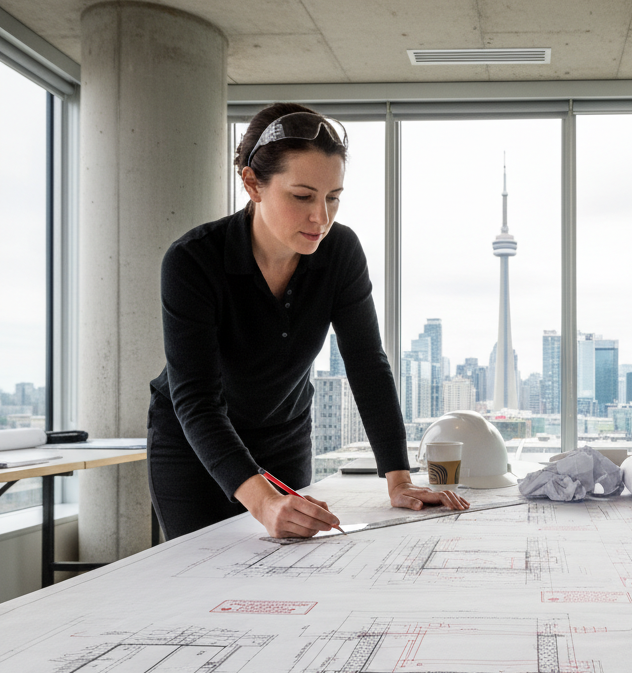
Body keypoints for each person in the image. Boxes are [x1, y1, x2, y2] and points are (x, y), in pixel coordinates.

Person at [148, 102, 468, 540]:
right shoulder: (193, 260)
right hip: (194, 447)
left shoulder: (340, 252)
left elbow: (366, 364)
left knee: (286, 579)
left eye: (332, 197)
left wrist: (399, 478)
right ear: (252, 183)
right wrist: (263, 501)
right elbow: (196, 401)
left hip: (284, 436)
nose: (321, 217)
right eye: (302, 196)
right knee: (201, 583)